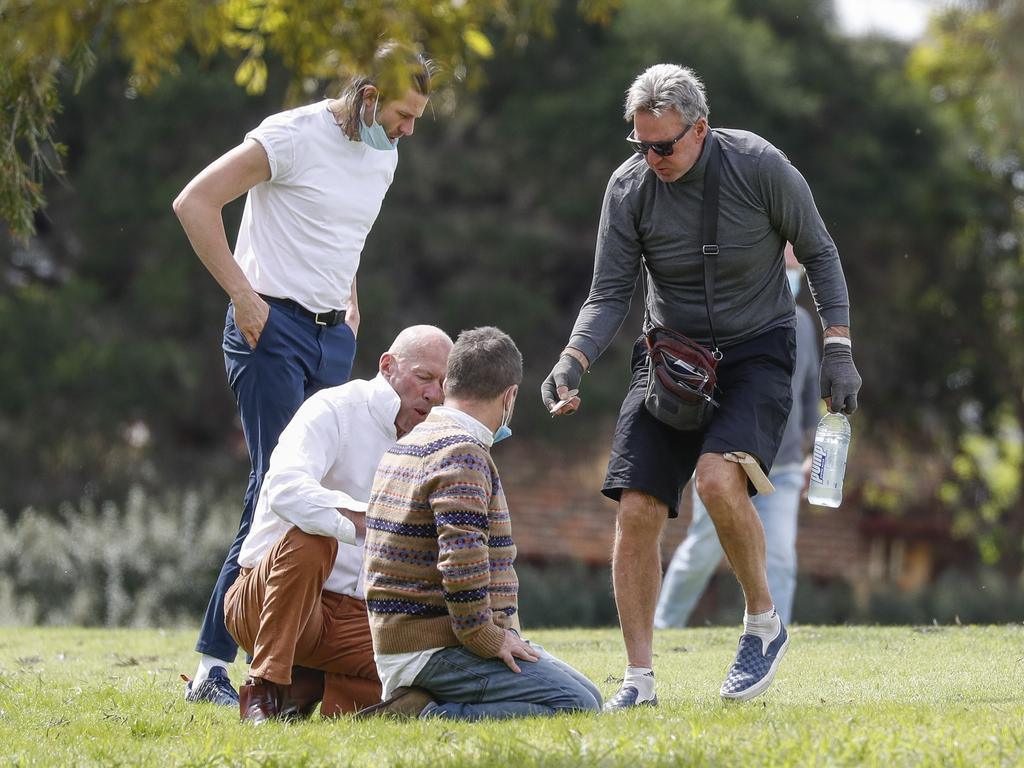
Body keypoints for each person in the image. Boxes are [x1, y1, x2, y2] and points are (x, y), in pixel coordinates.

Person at [541, 64, 861, 707]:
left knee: (719, 479)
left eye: (664, 144)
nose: (651, 157)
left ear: (700, 129)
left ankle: (763, 624)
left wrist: (838, 348)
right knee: (636, 507)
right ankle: (638, 680)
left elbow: (820, 252)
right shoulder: (629, 187)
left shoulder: (758, 165)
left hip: (758, 351)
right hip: (672, 357)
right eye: (640, 144)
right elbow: (609, 293)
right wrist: (573, 357)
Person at [173, 43, 434, 705]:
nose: (409, 130)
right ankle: (214, 667)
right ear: (369, 94)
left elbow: (345, 237)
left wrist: (350, 308)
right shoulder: (290, 136)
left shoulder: (385, 153)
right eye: (403, 113)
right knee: (276, 484)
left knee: (304, 483)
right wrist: (240, 294)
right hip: (270, 328)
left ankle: (299, 648)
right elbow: (195, 203)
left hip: (331, 339)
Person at [358, 327, 602, 720]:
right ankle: (425, 716)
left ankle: (426, 702)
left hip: (405, 640)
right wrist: (488, 638)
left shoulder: (410, 443)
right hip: (435, 646)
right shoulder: (462, 453)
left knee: (588, 692)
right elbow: (461, 563)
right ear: (510, 396)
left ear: (449, 382)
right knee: (579, 704)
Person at [223, 325, 452, 723]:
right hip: (269, 603)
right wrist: (367, 520)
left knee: (433, 663)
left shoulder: (436, 442)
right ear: (388, 367)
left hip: (355, 618)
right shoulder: (332, 408)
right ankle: (264, 688)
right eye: (424, 377)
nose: (434, 393)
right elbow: (283, 488)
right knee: (315, 540)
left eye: (444, 383)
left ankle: (310, 687)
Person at [655, 246, 820, 628]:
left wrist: (812, 451)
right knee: (705, 548)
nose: (792, 277)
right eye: (786, 268)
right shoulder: (733, 320)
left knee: (778, 556)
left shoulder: (805, 326)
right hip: (727, 460)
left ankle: (771, 639)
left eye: (798, 270)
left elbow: (809, 395)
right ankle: (663, 627)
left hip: (784, 466)